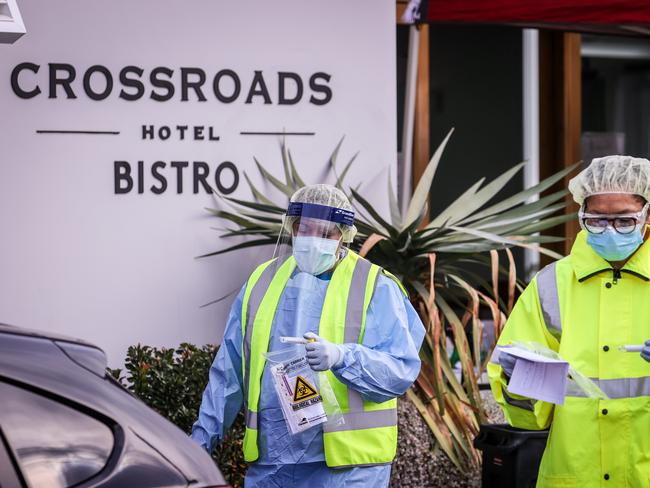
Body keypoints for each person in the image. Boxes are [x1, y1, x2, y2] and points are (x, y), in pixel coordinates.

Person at [192, 183, 425, 487]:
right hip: (274, 461)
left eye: (326, 233)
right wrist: (200, 440)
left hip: (348, 467)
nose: (313, 239)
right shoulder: (262, 281)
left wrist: (343, 357)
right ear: (292, 228)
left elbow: (401, 370)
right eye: (305, 228)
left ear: (344, 235)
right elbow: (229, 370)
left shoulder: (374, 286)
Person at [488, 155, 650, 487]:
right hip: (576, 474)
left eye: (624, 221)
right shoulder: (551, 285)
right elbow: (526, 417)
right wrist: (514, 378)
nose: (609, 230)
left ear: (647, 216)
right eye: (597, 220)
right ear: (581, 217)